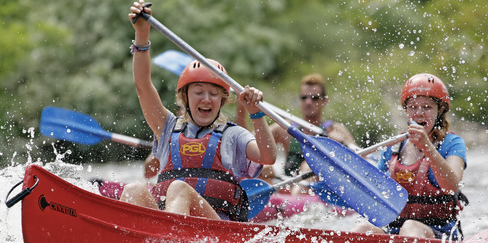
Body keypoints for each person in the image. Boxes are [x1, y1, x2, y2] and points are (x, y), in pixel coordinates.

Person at [122, 1, 277, 222]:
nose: (206, 99)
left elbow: (268, 157)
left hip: (215, 233)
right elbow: (143, 86)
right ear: (184, 97)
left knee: (179, 188)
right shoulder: (167, 128)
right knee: (134, 190)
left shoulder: (233, 135)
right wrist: (142, 33)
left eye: (214, 93)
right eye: (198, 92)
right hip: (169, 231)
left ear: (223, 101)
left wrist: (256, 114)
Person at [352, 73, 467, 239]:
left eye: (427, 107)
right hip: (395, 230)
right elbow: (374, 194)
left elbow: (452, 186)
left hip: (440, 233)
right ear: (406, 111)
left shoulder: (453, 143)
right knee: (360, 230)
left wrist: (427, 147)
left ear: (440, 111)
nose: (419, 113)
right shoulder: (393, 147)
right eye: (413, 107)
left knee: (411, 228)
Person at [270, 73, 359, 178]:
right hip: (289, 190)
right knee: (264, 169)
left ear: (324, 101)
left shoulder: (336, 129)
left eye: (314, 98)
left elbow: (360, 161)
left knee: (309, 166)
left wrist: (342, 146)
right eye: (304, 97)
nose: (308, 102)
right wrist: (246, 110)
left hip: (320, 189)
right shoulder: (284, 128)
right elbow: (248, 145)